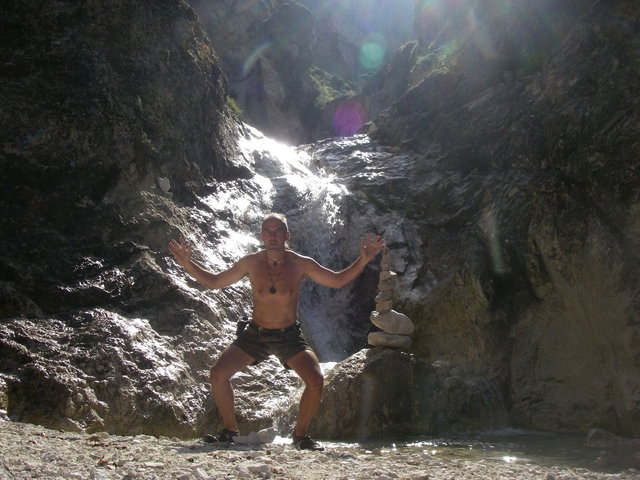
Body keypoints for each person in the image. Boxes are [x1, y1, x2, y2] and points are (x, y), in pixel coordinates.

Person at [168, 213, 384, 450]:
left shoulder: (301, 263)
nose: (272, 236)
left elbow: (337, 280)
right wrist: (187, 263)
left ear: (286, 235)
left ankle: (300, 437)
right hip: (255, 335)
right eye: (268, 232)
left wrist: (363, 260)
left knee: (315, 380)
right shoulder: (250, 262)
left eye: (278, 231)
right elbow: (215, 281)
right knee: (218, 374)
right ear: (261, 236)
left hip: (289, 336)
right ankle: (229, 431)